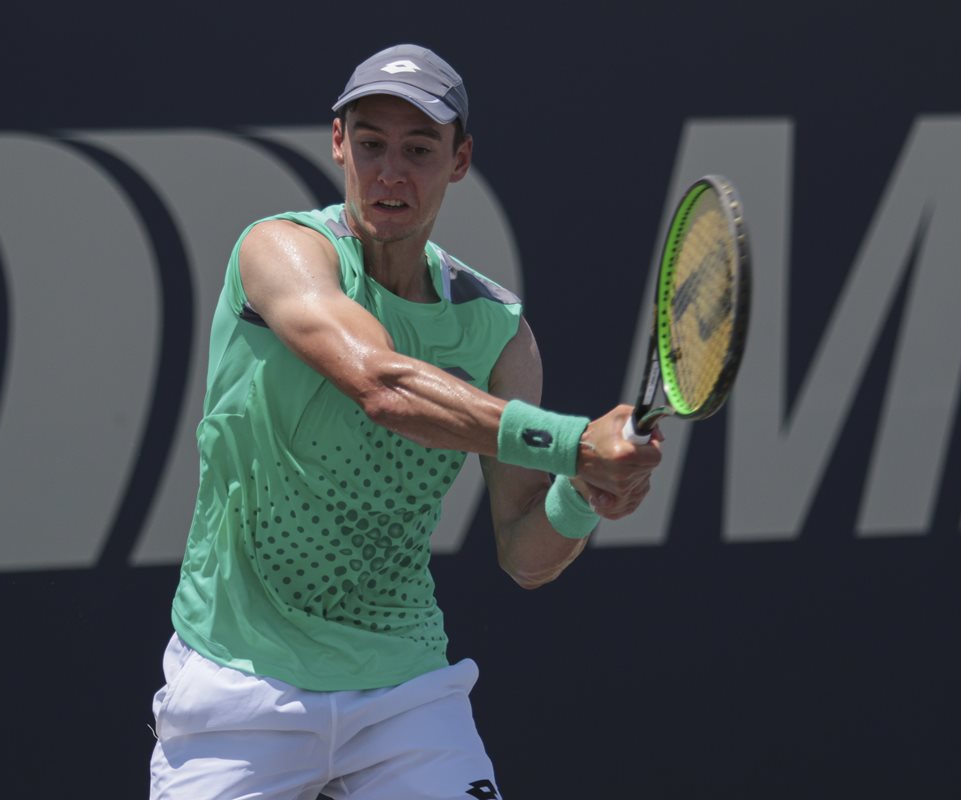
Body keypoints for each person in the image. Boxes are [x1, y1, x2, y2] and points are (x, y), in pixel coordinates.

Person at [148, 43, 662, 800]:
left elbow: (527, 557)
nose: (391, 172)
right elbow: (381, 385)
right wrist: (574, 443)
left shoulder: (497, 333)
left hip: (404, 690)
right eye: (371, 144)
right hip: (237, 682)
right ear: (338, 144)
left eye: (419, 150)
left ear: (459, 161)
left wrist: (583, 491)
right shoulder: (279, 250)